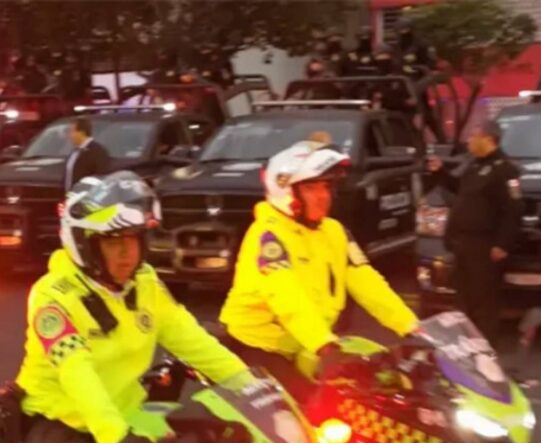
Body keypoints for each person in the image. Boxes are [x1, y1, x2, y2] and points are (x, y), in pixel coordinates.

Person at [16, 171, 253, 443]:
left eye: (133, 240)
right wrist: (117, 436)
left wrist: (253, 389)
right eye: (113, 242)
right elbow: (79, 376)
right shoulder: (53, 297)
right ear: (87, 246)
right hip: (59, 417)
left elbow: (195, 343)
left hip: (126, 409)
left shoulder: (144, 283)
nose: (127, 254)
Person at [219, 139, 419, 404]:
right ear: (286, 191)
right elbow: (287, 298)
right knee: (305, 417)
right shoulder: (268, 237)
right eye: (311, 187)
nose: (324, 195)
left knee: (370, 394)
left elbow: (366, 280)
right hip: (260, 345)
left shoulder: (334, 231)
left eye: (326, 186)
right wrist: (324, 345)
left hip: (309, 344)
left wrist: (411, 328)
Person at [428, 121, 523, 345]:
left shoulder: (505, 170)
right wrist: (441, 172)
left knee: (484, 300)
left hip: (485, 244)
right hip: (463, 243)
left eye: (474, 136)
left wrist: (503, 244)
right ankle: (466, 344)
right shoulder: (474, 166)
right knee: (464, 297)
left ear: (488, 139)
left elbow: (513, 210)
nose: (469, 141)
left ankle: (485, 346)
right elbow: (459, 189)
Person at [62, 117, 110, 193]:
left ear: (81, 132)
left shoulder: (97, 152)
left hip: (86, 198)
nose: (69, 135)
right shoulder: (75, 152)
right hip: (71, 198)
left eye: (71, 131)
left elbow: (100, 177)